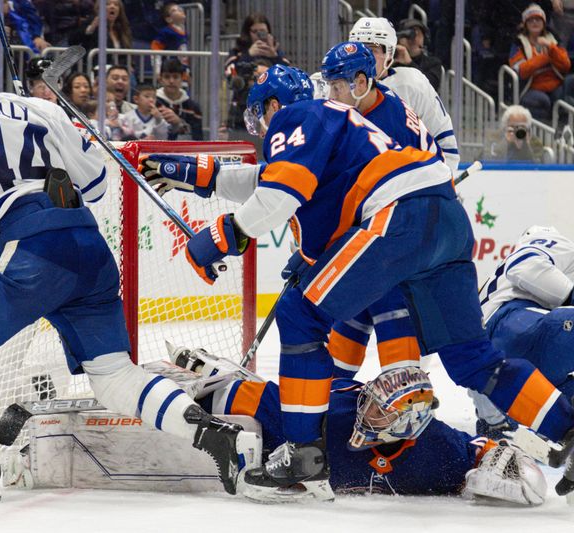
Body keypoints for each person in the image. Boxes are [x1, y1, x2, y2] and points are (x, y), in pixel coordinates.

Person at [0, 29, 259, 502]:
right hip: (87, 246)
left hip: (30, 247)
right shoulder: (42, 109)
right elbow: (101, 184)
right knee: (113, 375)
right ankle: (220, 438)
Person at [139, 64, 574, 499]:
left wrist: (220, 236)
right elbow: (262, 181)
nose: (262, 129)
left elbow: (277, 193)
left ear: (273, 106)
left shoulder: (297, 115)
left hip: (397, 214)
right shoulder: (338, 125)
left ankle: (303, 454)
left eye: (260, 118)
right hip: (444, 220)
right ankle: (569, 429)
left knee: (299, 315)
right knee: (475, 361)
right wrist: (192, 174)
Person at [175, 349, 547, 505]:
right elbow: (261, 398)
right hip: (325, 391)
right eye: (371, 403)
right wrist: (188, 400)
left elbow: (494, 454)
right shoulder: (332, 416)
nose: (367, 415)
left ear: (406, 427)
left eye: (381, 414)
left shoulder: (439, 449)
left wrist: (504, 473)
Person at [319, 41, 441, 380]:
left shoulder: (390, 122)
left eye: (337, 86)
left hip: (412, 225)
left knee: (388, 302)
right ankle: (335, 388)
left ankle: (404, 389)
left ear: (361, 83)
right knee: (355, 300)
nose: (331, 93)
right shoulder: (370, 105)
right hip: (395, 223)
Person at [472, 226, 574, 437]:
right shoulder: (550, 239)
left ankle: (497, 424)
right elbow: (523, 264)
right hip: (513, 326)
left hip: (500, 373)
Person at [349, 17, 459, 172]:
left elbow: (447, 149)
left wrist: (436, 183)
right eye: (358, 50)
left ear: (390, 53)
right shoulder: (336, 85)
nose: (363, 57)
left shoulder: (412, 83)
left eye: (372, 50)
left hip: (404, 184)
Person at [225, 13, 289, 133]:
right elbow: (231, 76)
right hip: (243, 108)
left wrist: (275, 57)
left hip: (272, 109)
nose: (259, 36)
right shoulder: (238, 52)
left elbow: (290, 78)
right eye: (255, 31)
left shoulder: (275, 51)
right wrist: (248, 55)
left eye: (263, 31)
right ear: (247, 32)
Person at [509, 3, 574, 121]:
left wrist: (551, 47)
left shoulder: (552, 39)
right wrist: (545, 58)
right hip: (531, 87)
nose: (535, 22)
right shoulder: (519, 43)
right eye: (531, 20)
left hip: (554, 85)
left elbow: (565, 65)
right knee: (542, 100)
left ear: (544, 23)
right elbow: (520, 70)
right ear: (525, 24)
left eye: (538, 20)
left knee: (567, 94)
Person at [155, 58, 202, 140]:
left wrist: (179, 123)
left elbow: (197, 138)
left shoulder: (193, 108)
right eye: (167, 77)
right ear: (160, 78)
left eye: (175, 77)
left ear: (182, 78)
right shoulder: (152, 103)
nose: (171, 81)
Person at [393, 18, 443, 90]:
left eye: (419, 35)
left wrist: (410, 63)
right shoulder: (392, 59)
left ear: (425, 39)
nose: (414, 39)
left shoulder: (433, 63)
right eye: (409, 35)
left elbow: (431, 86)